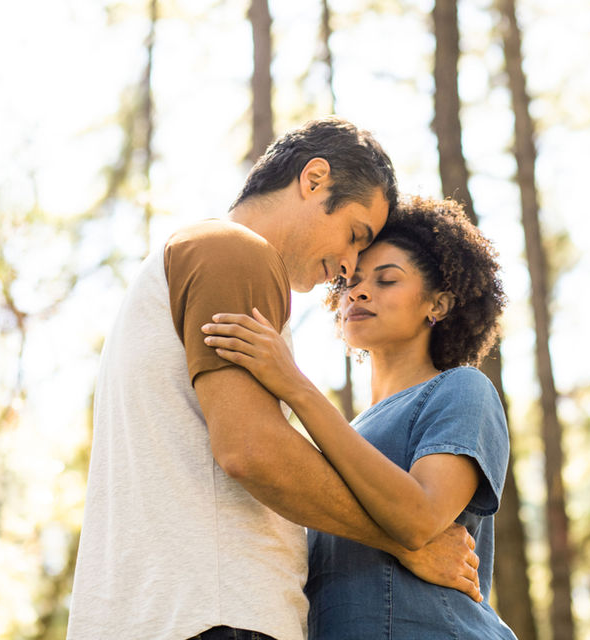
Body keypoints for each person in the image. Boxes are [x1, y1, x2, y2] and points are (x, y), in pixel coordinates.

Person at [67, 118, 482, 640]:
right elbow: (249, 448)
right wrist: (405, 542)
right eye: (355, 235)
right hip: (218, 613)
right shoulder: (233, 251)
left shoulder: (193, 260)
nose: (347, 269)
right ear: (313, 179)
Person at [202, 196, 518, 639]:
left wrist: (294, 386)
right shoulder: (348, 434)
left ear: (439, 305)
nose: (359, 292)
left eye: (387, 281)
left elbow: (420, 518)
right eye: (351, 281)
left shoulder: (462, 389)